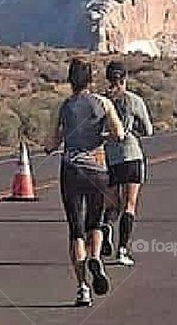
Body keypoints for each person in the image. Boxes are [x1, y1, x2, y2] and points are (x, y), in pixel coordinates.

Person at [45, 58, 125, 306]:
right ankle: (95, 257)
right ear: (91, 80)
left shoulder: (64, 107)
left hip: (71, 170)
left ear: (70, 81)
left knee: (75, 229)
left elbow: (50, 143)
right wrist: (100, 136)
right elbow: (119, 134)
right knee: (96, 222)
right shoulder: (103, 103)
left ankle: (82, 287)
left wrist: (56, 143)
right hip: (97, 170)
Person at [101, 61, 153, 267]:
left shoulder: (102, 102)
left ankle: (106, 226)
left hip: (110, 157)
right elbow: (148, 130)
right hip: (131, 155)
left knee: (112, 204)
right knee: (129, 205)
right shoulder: (134, 101)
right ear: (125, 78)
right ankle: (122, 250)